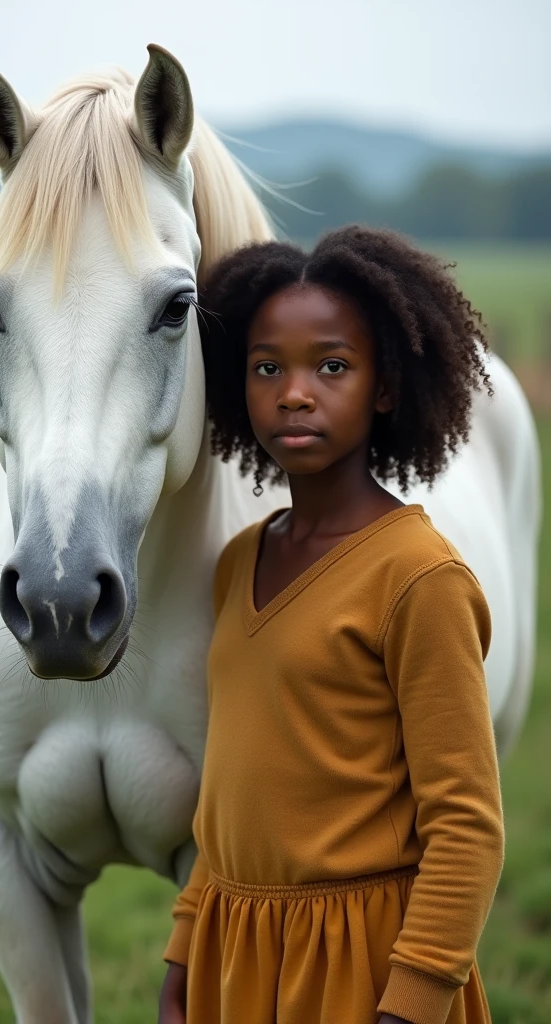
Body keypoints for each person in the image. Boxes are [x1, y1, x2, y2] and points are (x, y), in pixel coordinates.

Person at [158, 225, 505, 1024]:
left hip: (362, 970)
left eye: (333, 366)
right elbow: (227, 802)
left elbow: (467, 828)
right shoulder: (239, 563)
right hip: (236, 959)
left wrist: (409, 1004)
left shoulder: (419, 578)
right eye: (267, 367)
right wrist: (184, 958)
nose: (295, 392)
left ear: (385, 388)